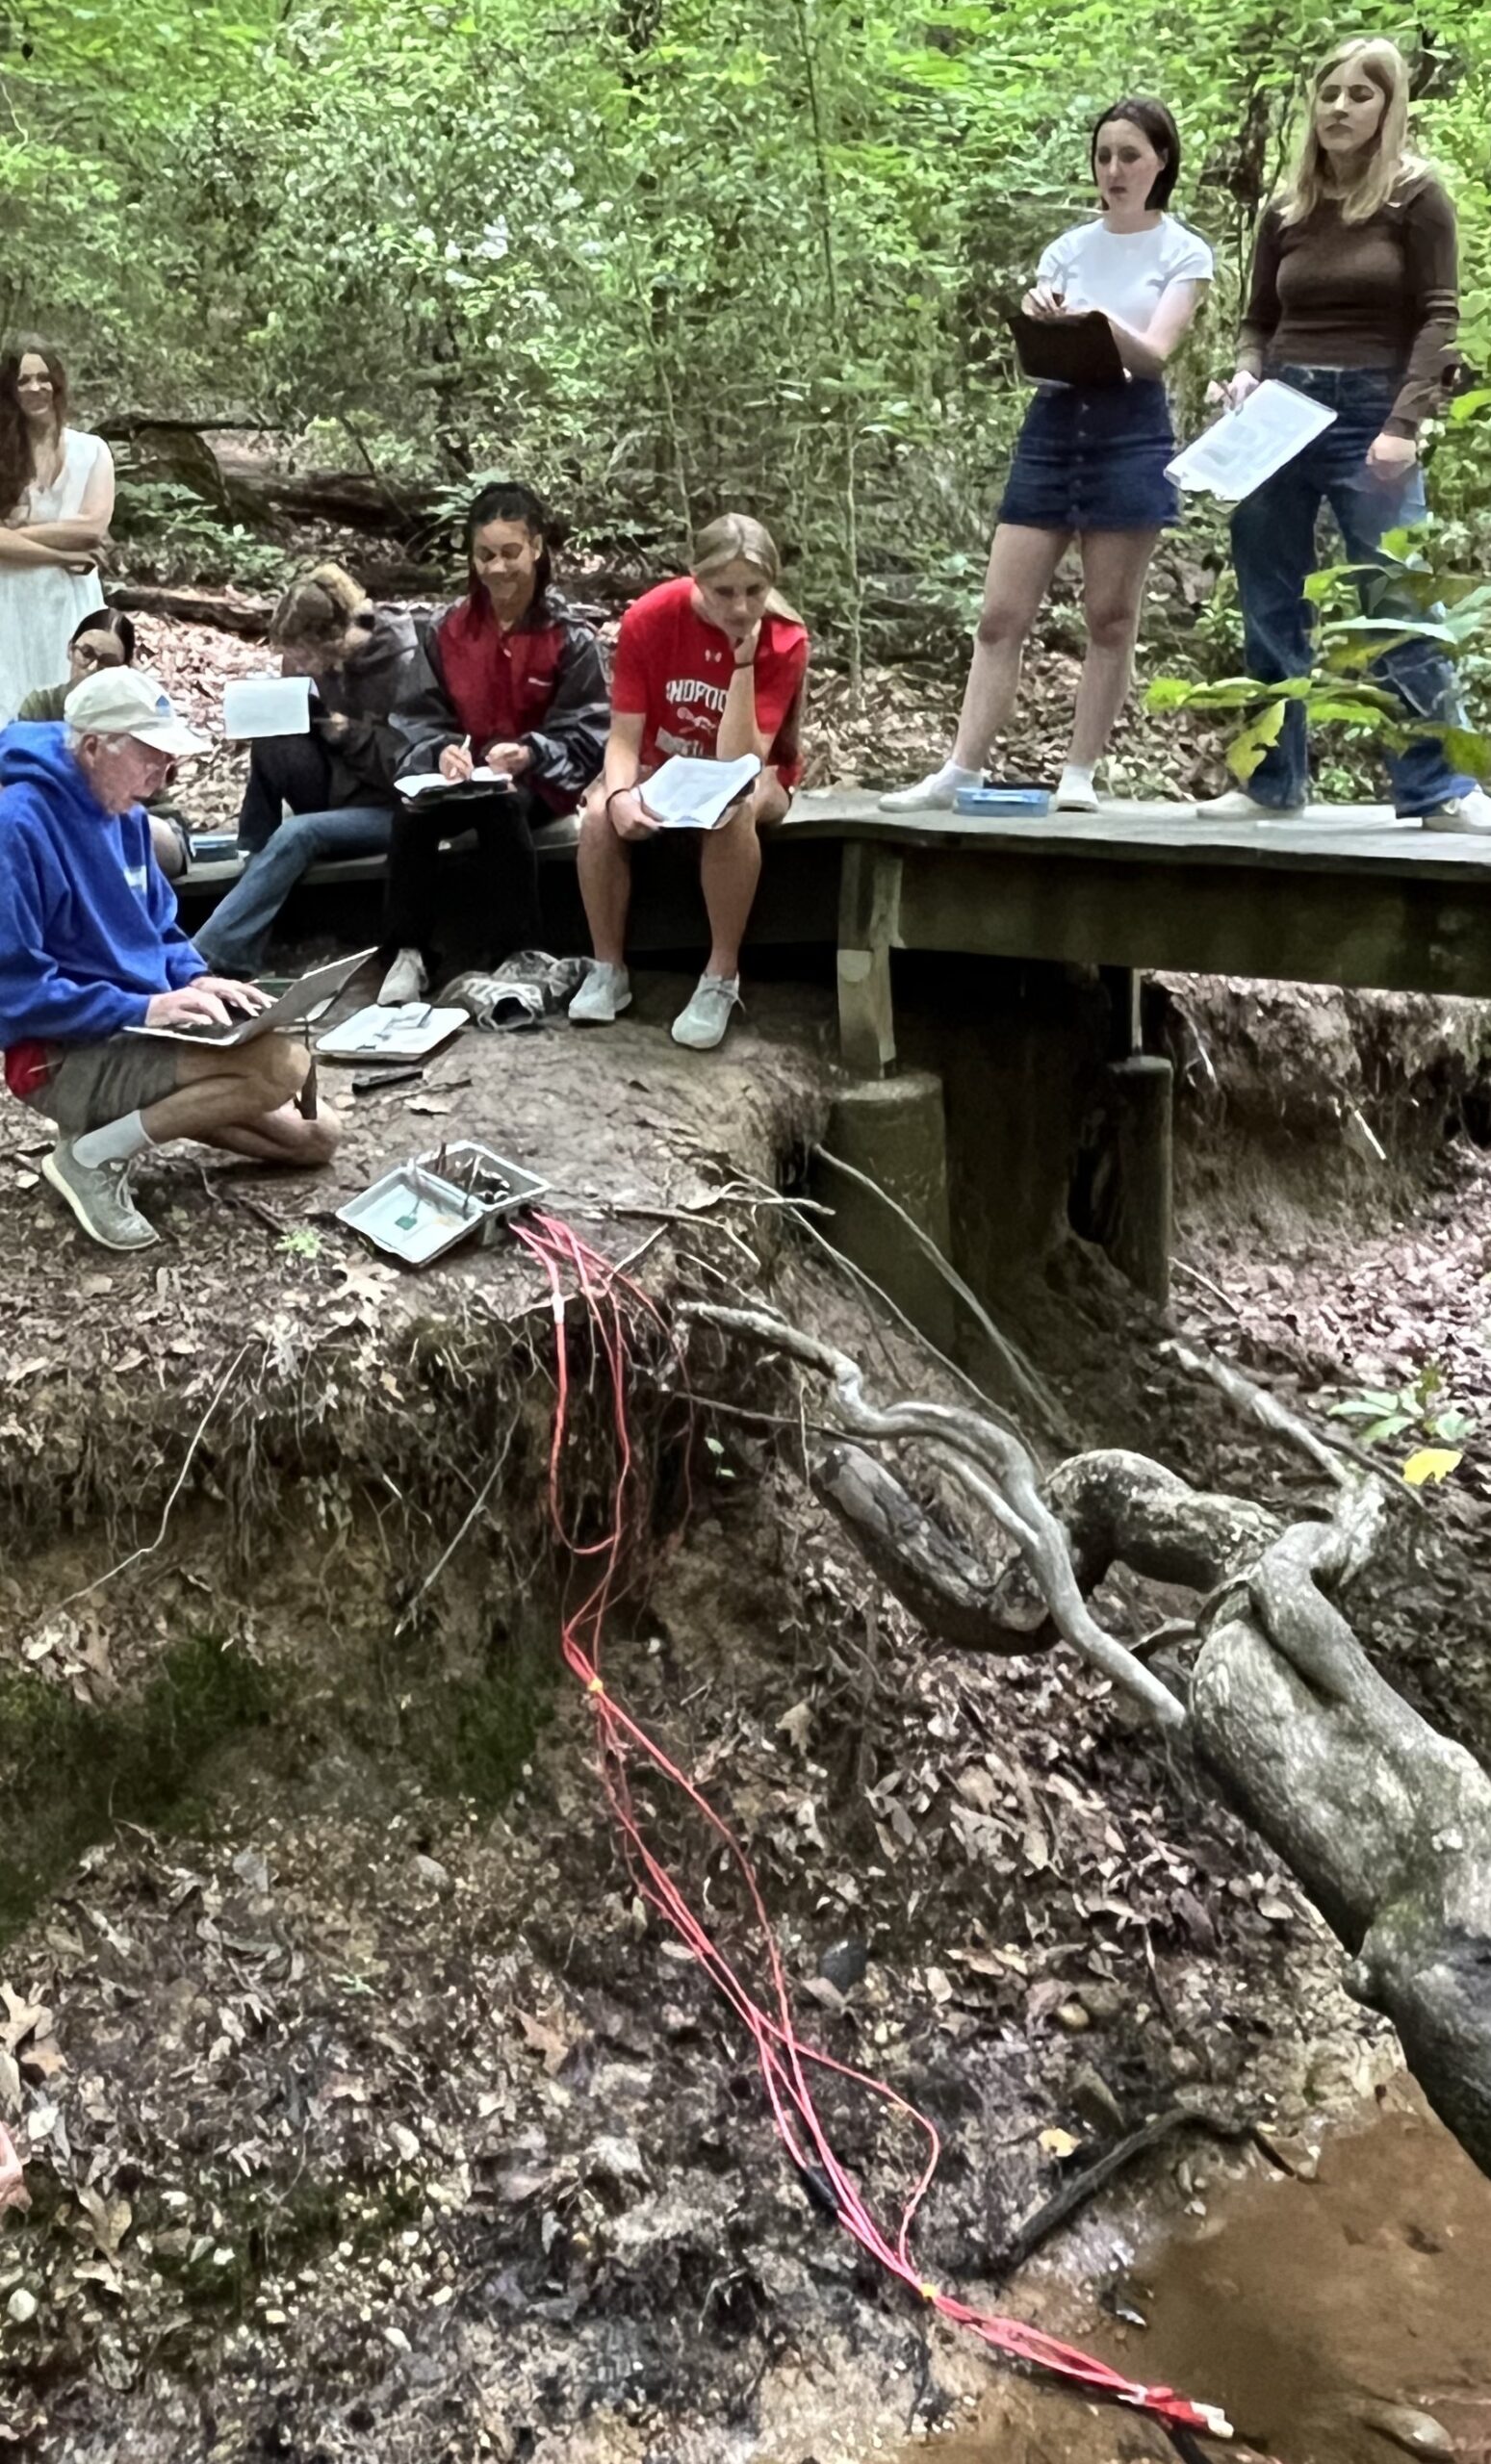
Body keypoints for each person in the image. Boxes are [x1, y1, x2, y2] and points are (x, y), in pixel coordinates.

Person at [881, 101, 1212, 817]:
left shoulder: (1183, 251)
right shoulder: (1066, 248)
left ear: (1160, 161)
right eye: (1103, 156)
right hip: (1056, 421)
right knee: (1001, 614)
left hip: (1130, 428)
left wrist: (1092, 319)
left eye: (1129, 155)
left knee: (1109, 616)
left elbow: (1154, 355)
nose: (1114, 170)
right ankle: (961, 767)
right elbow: (1039, 360)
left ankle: (1079, 772)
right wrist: (1042, 320)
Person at [1200, 38, 1489, 832]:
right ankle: (1270, 781)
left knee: (1395, 601)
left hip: (1372, 411)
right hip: (1278, 414)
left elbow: (1438, 315)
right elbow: (1256, 321)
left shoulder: (1414, 195)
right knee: (1268, 599)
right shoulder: (1286, 208)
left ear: (1388, 106)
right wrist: (1245, 373)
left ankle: (1438, 790)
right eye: (1328, 93)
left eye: (1359, 94)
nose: (1338, 108)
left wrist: (1404, 423)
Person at [0, 668, 338, 1253]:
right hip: (57, 1053)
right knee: (279, 1068)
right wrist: (147, 1006)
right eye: (151, 759)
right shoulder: (17, 826)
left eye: (169, 761)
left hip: (136, 1025)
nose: (162, 779)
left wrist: (198, 978)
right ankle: (90, 1158)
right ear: (92, 747)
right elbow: (14, 993)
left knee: (318, 1137)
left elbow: (160, 929)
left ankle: (115, 1130)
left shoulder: (127, 814)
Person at [572, 513, 810, 1050]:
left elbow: (740, 761)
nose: (741, 607)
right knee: (596, 815)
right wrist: (618, 796)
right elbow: (625, 738)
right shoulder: (651, 618)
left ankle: (720, 977)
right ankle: (608, 970)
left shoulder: (783, 638)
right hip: (667, 768)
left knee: (732, 810)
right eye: (724, 592)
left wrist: (743, 660)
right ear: (695, 578)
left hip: (754, 772)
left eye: (755, 590)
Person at [377, 483, 607, 1005]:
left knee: (501, 807)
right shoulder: (446, 630)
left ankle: (517, 951)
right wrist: (439, 752)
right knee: (414, 812)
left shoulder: (569, 637)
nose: (498, 568)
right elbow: (413, 717)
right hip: (460, 779)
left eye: (510, 553)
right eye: (485, 555)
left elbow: (591, 731)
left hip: (535, 784)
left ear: (536, 548)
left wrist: (531, 752)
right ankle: (407, 953)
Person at [194, 564, 419, 977]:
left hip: (394, 807)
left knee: (300, 832)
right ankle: (255, 857)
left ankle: (212, 955)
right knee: (271, 734)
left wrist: (350, 735)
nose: (297, 664)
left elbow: (414, 768)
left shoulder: (402, 661)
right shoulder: (316, 658)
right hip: (340, 785)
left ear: (331, 639)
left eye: (302, 656)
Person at [15, 606, 191, 883]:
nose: (92, 667)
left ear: (124, 668)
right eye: (86, 653)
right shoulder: (42, 705)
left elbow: (157, 801)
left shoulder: (136, 708)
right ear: (70, 649)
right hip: (57, 823)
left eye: (107, 661)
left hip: (133, 822)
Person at [0, 343, 114, 723]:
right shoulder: (2, 457)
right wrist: (63, 554)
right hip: (11, 603)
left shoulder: (92, 450)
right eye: (24, 380)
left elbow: (93, 528)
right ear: (10, 391)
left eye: (43, 378)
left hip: (74, 601)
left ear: (58, 384)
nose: (35, 388)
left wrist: (19, 532)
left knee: (76, 710)